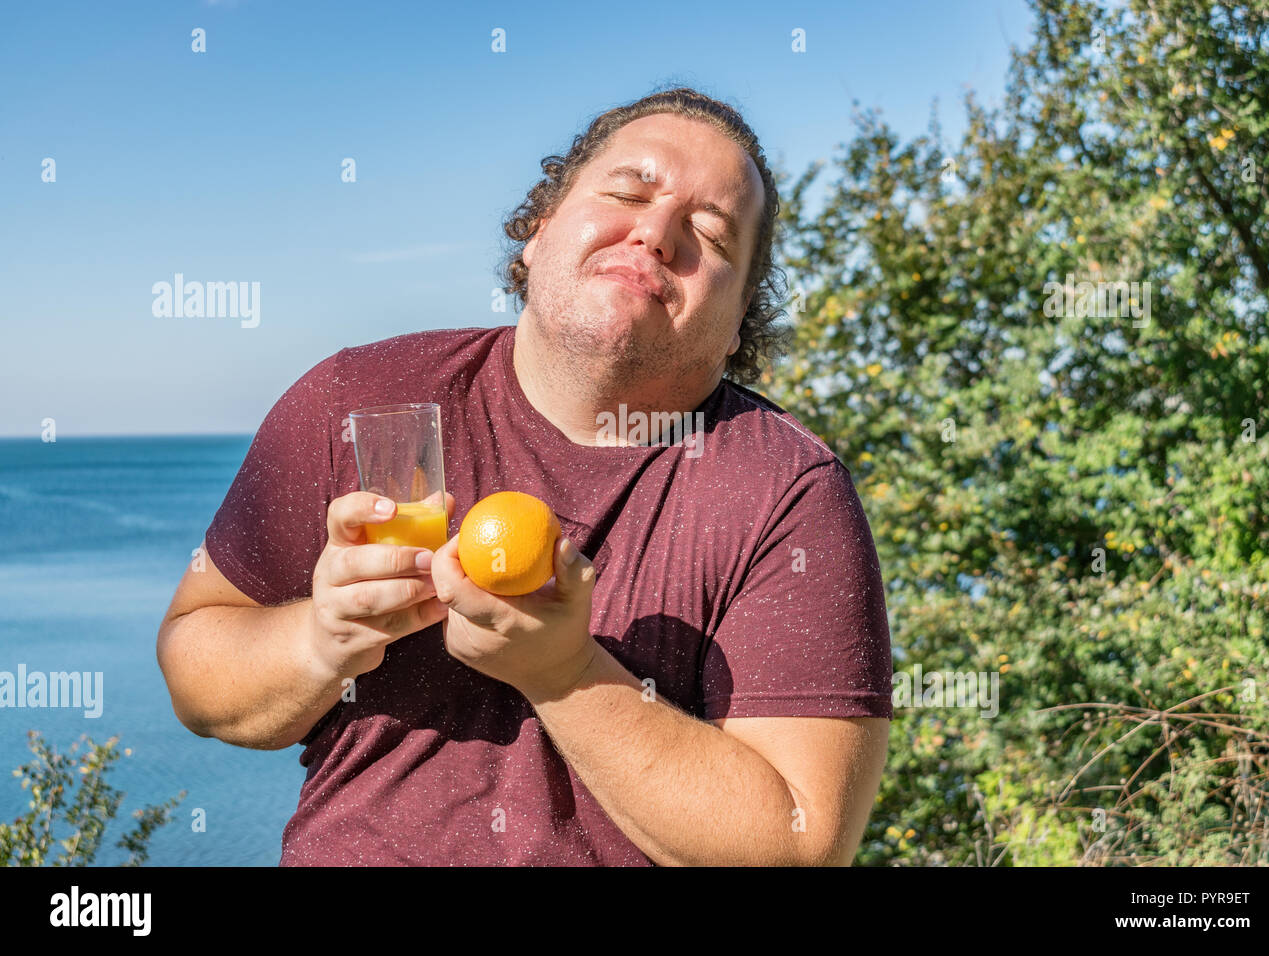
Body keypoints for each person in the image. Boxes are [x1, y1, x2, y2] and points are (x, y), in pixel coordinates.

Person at [156, 87, 894, 866]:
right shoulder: (358, 401)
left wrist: (566, 676)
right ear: (539, 230)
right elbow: (195, 676)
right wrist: (321, 637)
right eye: (626, 193)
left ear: (742, 314)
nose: (653, 232)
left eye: (708, 232)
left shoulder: (787, 490)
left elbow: (801, 846)